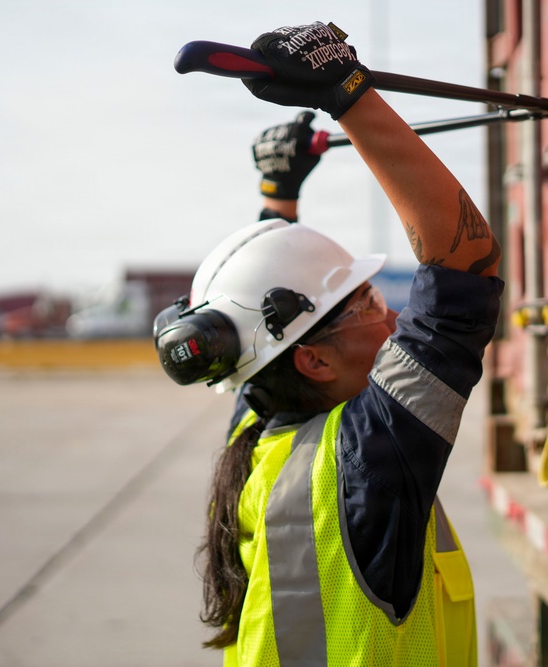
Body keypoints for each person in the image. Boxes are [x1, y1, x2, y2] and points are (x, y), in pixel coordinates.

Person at [154, 21, 502, 667]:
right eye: (369, 304)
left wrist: (278, 195)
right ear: (313, 359)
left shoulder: (259, 436)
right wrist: (348, 93)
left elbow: (262, 332)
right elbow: (462, 262)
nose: (393, 315)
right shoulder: (366, 458)